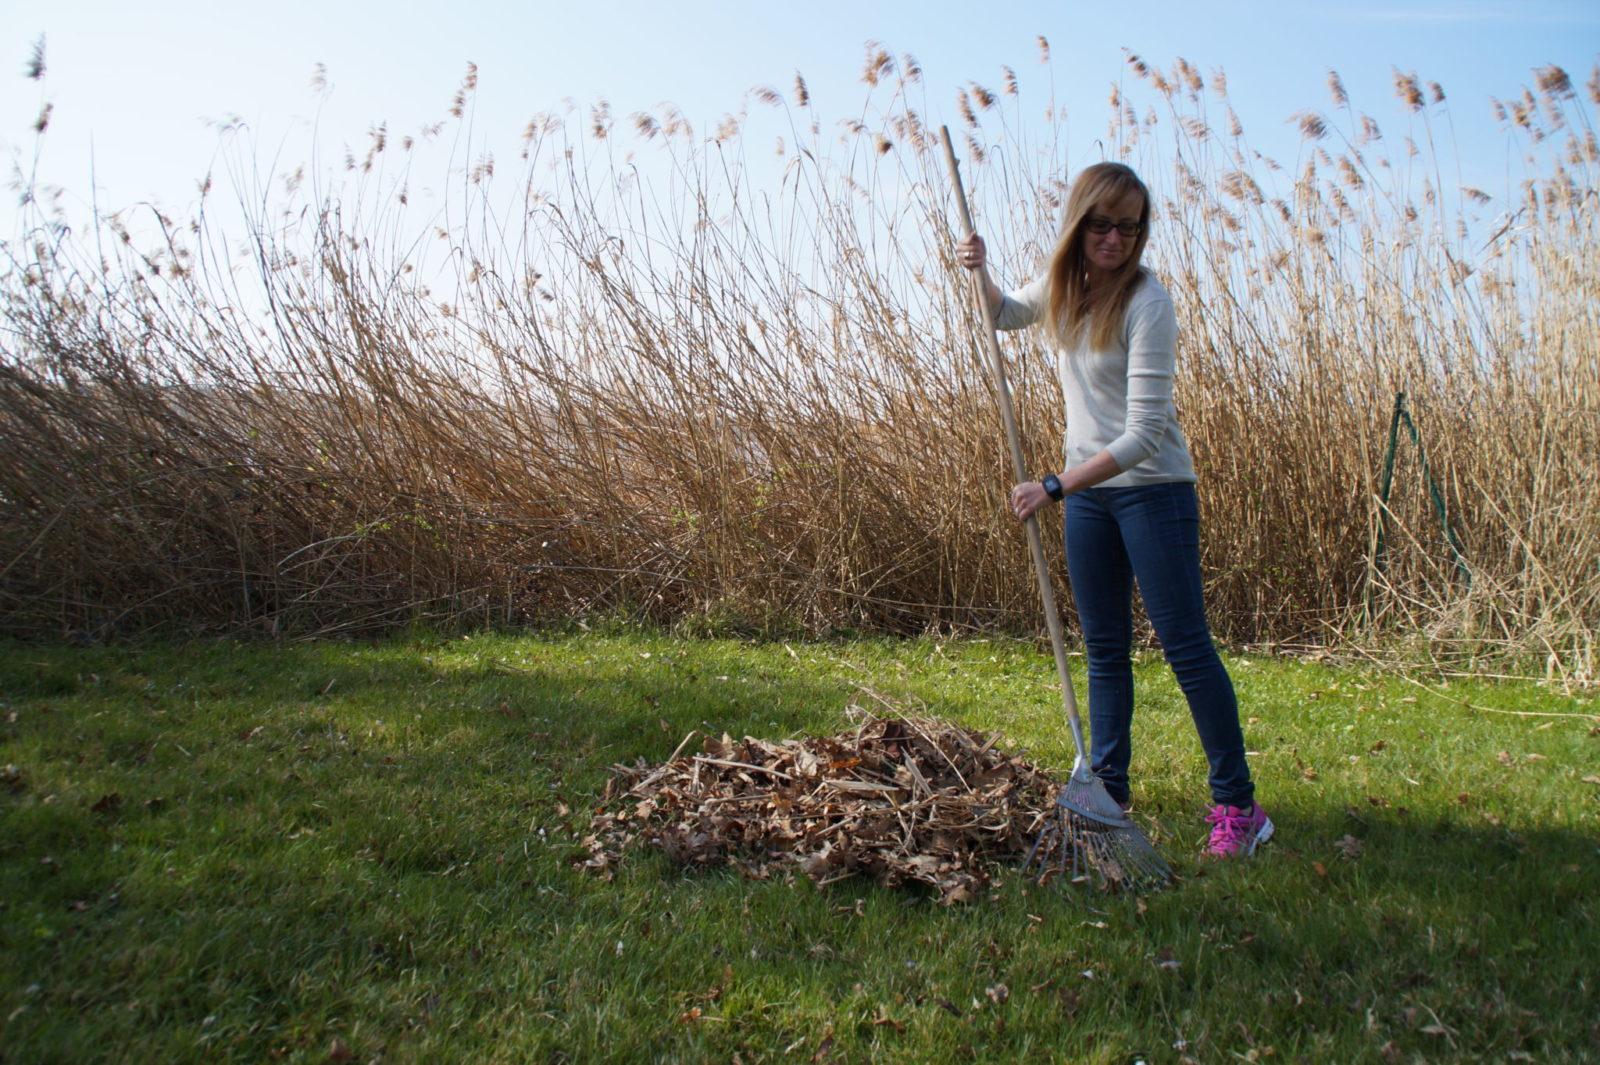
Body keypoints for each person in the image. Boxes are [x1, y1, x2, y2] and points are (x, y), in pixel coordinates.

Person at [955, 161, 1272, 858]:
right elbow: (1003, 314)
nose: (1115, 239)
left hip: (1153, 493)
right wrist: (979, 271)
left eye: (1130, 227)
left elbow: (1144, 435)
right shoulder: (1068, 288)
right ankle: (1110, 792)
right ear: (1080, 223)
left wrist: (1057, 485)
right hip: (1088, 500)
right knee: (1104, 650)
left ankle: (1239, 807)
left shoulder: (1147, 303)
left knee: (1187, 647)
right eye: (1102, 223)